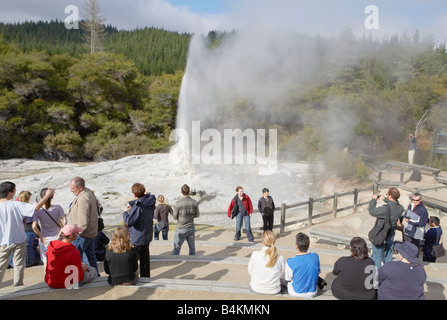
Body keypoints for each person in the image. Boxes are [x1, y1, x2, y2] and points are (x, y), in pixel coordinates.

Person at [0, 182, 54, 286]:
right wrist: (47, 196)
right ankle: (18, 285)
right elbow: (36, 207)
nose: (15, 192)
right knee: (19, 264)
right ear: (9, 192)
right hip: (19, 238)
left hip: (3, 240)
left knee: (1, 265)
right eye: (14, 190)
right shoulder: (16, 204)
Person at [45, 224, 97, 289]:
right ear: (71, 236)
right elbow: (79, 276)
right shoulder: (73, 251)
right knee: (93, 270)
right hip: (66, 283)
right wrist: (83, 269)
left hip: (51, 282)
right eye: (77, 233)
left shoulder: (51, 248)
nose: (78, 234)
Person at [123, 183, 156, 278]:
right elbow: (148, 196)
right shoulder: (150, 201)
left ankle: (132, 277)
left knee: (133, 260)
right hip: (147, 235)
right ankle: (146, 277)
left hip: (137, 237)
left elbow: (129, 222)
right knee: (145, 259)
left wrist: (125, 213)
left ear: (134, 194)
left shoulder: (138, 207)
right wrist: (133, 202)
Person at [68, 177, 99, 275]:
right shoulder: (88, 193)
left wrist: (76, 234)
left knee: (74, 256)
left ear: (80, 187)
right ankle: (96, 275)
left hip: (82, 234)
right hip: (90, 232)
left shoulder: (83, 199)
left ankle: (75, 278)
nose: (71, 190)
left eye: (73, 188)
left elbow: (83, 221)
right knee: (90, 256)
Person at [368, 187, 404, 269]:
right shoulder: (400, 208)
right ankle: (388, 272)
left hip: (381, 234)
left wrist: (374, 200)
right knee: (388, 255)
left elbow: (372, 211)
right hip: (390, 234)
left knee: (377, 256)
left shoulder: (385, 208)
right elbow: (395, 204)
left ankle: (377, 275)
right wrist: (386, 199)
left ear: (390, 196)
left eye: (387, 195)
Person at [32, 187, 67, 266]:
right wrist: (61, 232)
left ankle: (47, 278)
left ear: (41, 196)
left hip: (45, 238)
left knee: (46, 262)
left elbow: (34, 226)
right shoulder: (58, 207)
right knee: (60, 260)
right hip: (57, 236)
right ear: (52, 197)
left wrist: (41, 237)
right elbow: (65, 220)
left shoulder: (38, 210)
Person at [285, 232, 322, 298]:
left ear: (297, 246)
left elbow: (288, 279)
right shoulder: (315, 256)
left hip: (296, 293)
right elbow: (318, 272)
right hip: (312, 292)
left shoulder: (290, 261)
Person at [248, 230, 285, 295]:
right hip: (274, 289)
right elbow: (282, 273)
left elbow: (250, 271)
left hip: (257, 288)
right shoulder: (280, 257)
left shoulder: (255, 254)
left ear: (263, 241)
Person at [172, 184, 200, 255]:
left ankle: (176, 262)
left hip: (181, 228)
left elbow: (174, 216)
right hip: (191, 226)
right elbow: (197, 215)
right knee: (192, 248)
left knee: (177, 247)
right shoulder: (194, 202)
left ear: (181, 192)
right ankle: (192, 261)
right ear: (189, 191)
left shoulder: (178, 203)